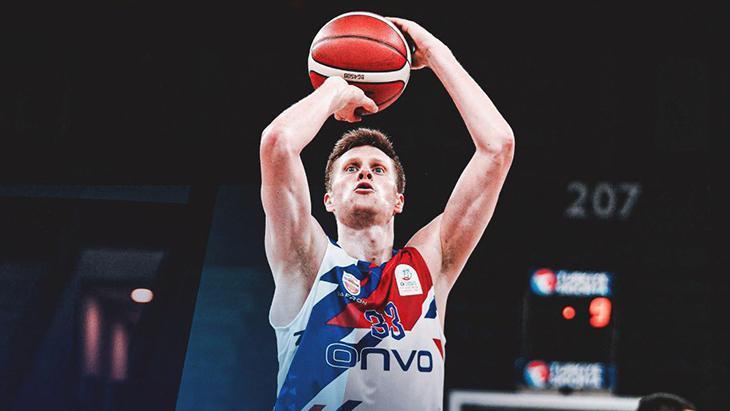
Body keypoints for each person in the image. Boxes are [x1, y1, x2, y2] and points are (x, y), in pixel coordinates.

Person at [260, 16, 514, 411]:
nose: (364, 173)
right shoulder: (305, 263)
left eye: (378, 170)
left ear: (398, 200)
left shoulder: (428, 267)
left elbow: (498, 147)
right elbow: (278, 143)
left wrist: (435, 53)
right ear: (327, 199)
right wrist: (333, 90)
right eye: (351, 168)